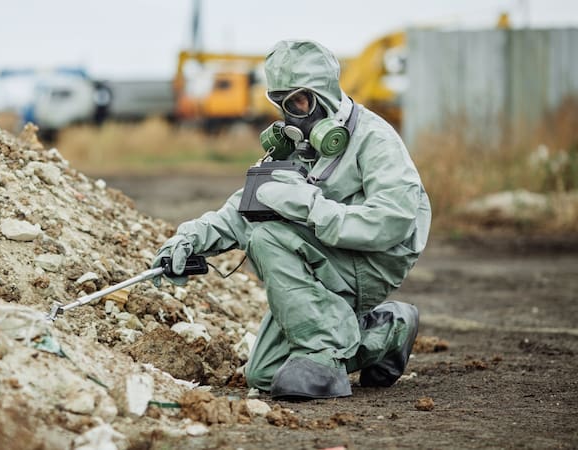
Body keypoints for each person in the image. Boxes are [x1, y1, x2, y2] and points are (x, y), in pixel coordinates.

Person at [151, 39, 431, 400]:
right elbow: (247, 208)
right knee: (265, 373)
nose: (291, 114)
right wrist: (190, 238)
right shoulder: (298, 146)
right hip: (328, 255)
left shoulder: (375, 140)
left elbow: (392, 221)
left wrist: (309, 205)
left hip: (374, 260)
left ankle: (323, 359)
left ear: (324, 93)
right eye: (281, 103)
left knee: (267, 237)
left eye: (299, 101)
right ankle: (385, 334)